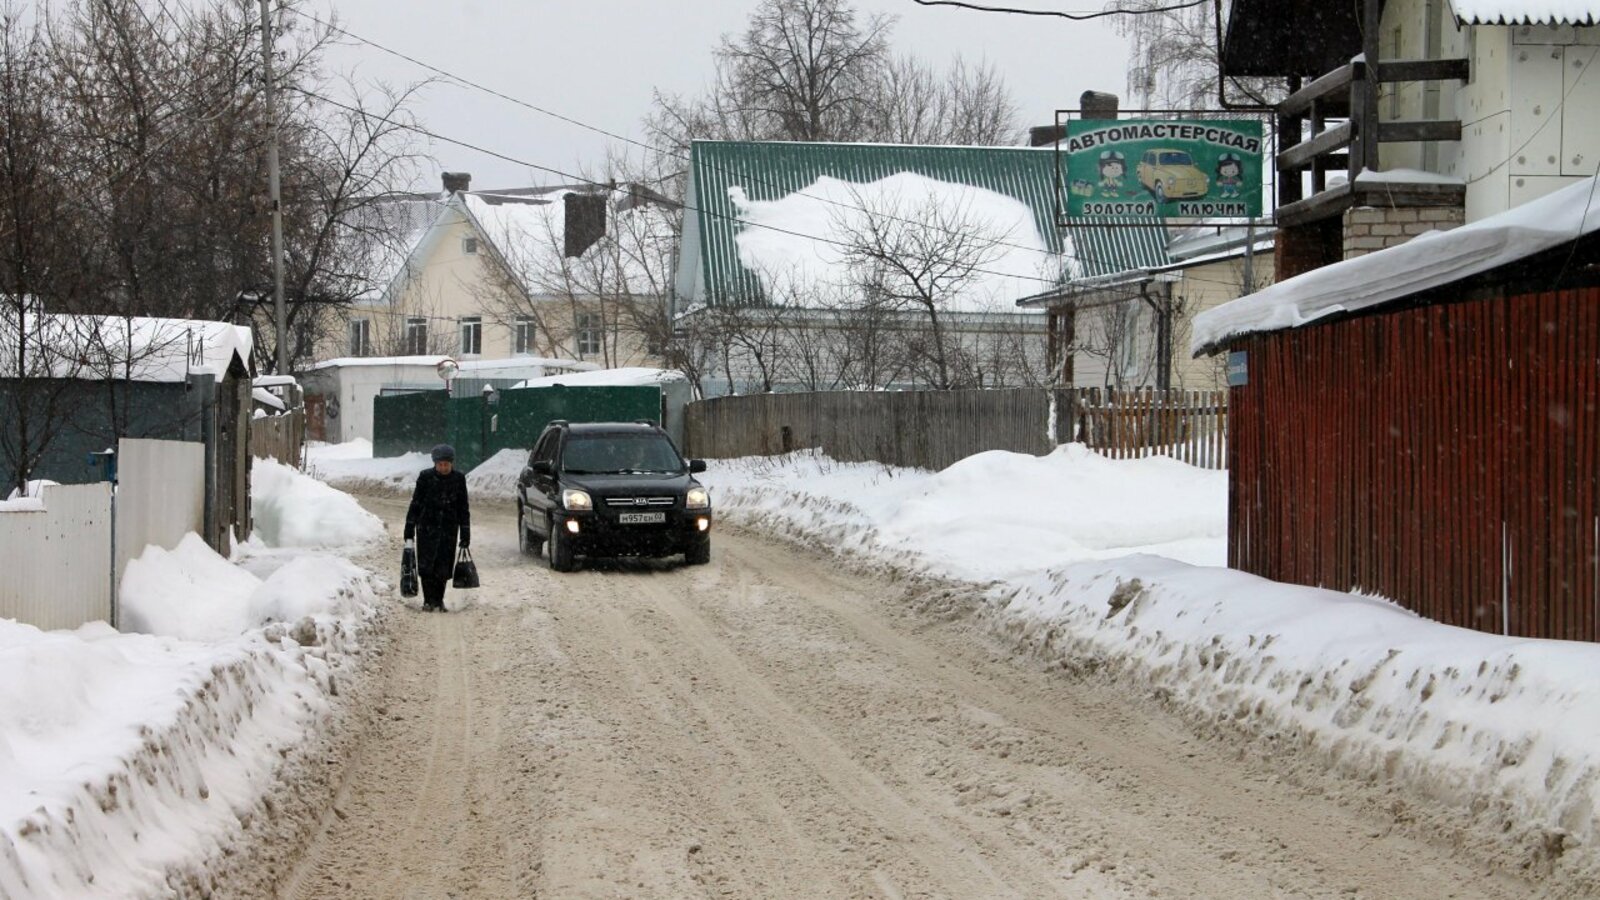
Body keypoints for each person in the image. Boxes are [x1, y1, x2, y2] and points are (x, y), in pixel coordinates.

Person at [404, 444, 471, 612]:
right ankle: (428, 600)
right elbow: (416, 503)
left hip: (448, 529)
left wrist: (465, 531)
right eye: (440, 464)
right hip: (427, 527)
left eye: (446, 464)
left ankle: (439, 600)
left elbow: (463, 507)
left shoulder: (458, 479)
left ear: (451, 463)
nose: (443, 468)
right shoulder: (425, 477)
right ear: (435, 464)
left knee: (443, 566)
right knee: (426, 566)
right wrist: (410, 527)